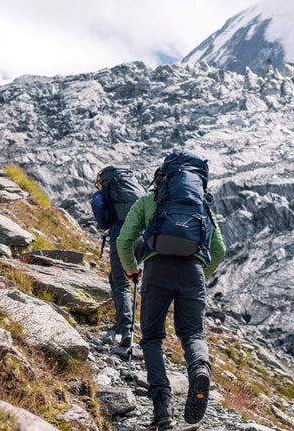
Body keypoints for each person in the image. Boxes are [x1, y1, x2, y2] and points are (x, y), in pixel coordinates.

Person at [116, 155, 226, 430]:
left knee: (152, 338)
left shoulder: (148, 200)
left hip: (157, 269)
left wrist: (131, 270)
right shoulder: (201, 204)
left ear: (159, 181)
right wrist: (201, 274)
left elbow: (124, 240)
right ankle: (200, 369)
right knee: (193, 335)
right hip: (193, 272)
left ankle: (163, 409)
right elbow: (219, 250)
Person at [91, 166, 141, 347]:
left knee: (121, 282)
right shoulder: (133, 187)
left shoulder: (106, 190)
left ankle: (126, 329)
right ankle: (123, 321)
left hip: (122, 237)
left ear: (100, 181)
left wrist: (103, 224)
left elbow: (97, 204)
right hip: (142, 238)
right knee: (119, 278)